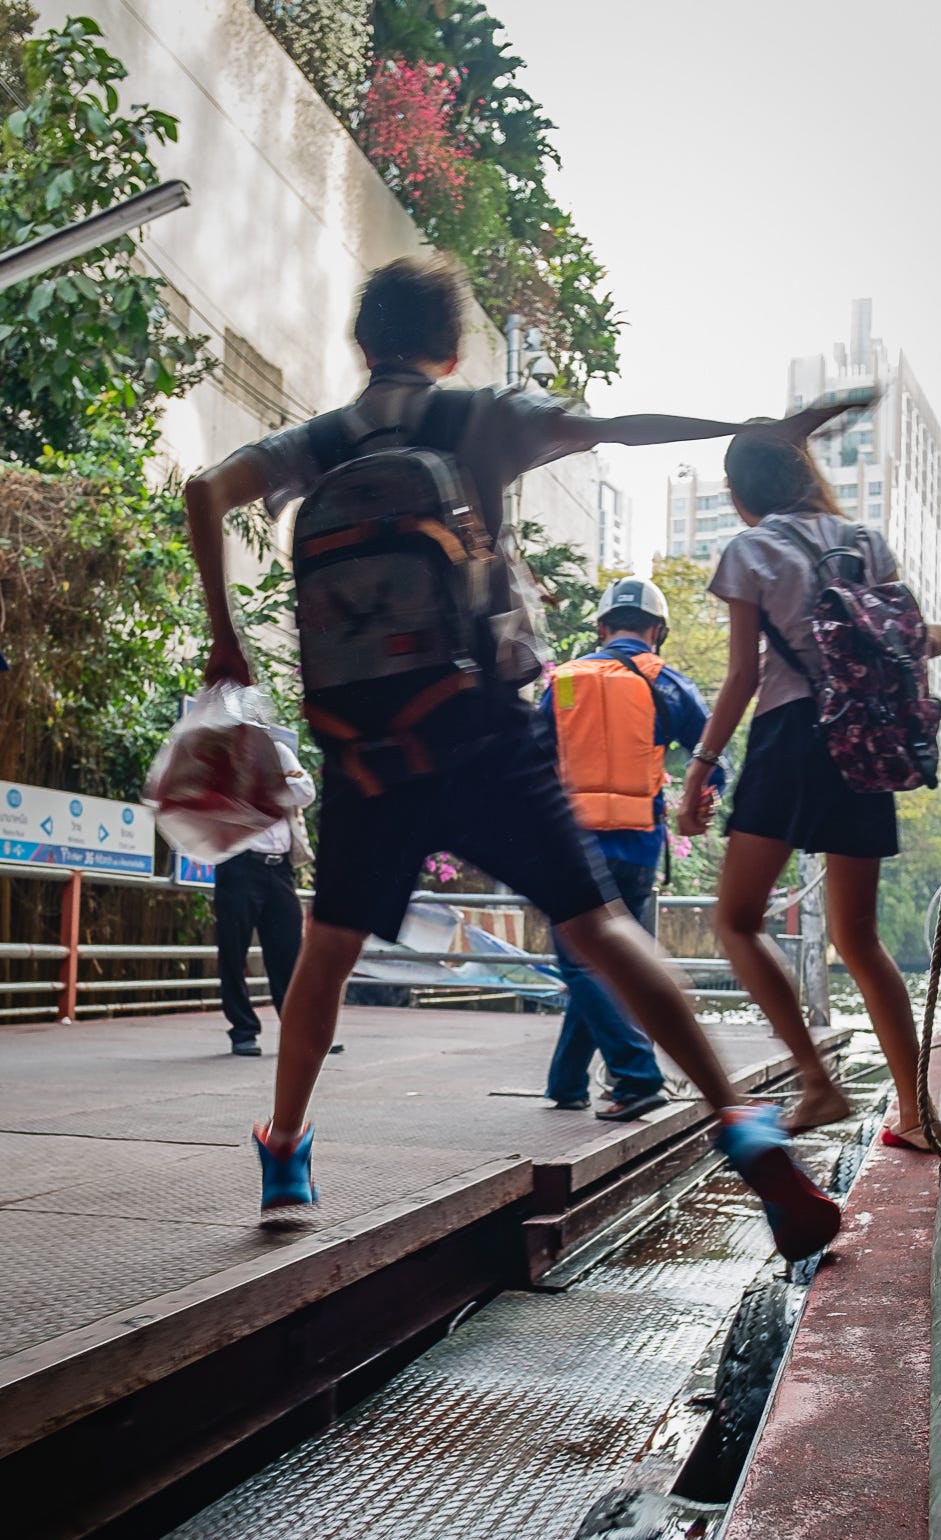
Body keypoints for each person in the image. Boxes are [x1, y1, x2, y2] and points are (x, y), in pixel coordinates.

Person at [185, 255, 841, 1261]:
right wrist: (764, 430)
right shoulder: (482, 416)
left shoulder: (319, 443)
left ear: (362, 345)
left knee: (327, 949)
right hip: (485, 723)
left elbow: (206, 489)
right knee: (603, 925)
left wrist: (225, 635)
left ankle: (284, 1152)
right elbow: (623, 427)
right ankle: (735, 1119)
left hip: (366, 746)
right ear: (450, 349)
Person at [680, 426, 941, 1148]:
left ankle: (816, 1080)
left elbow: (743, 677)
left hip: (791, 737)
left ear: (739, 493)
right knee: (859, 937)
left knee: (736, 920)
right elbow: (914, 639)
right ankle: (917, 1116)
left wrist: (700, 767)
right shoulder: (865, 542)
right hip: (864, 740)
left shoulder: (751, 550)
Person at [536, 577, 724, 1118]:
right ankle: (567, 1082)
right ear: (658, 631)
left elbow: (531, 757)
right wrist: (700, 800)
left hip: (573, 845)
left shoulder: (565, 682)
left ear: (600, 628)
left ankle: (637, 1076)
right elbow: (713, 756)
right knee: (610, 962)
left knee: (583, 963)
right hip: (638, 848)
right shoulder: (669, 685)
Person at [215, 729, 315, 1057]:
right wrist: (280, 783)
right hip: (240, 864)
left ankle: (299, 1029)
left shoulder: (280, 751)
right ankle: (243, 1030)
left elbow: (307, 791)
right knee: (233, 949)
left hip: (280, 868)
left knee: (290, 950)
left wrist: (266, 783)